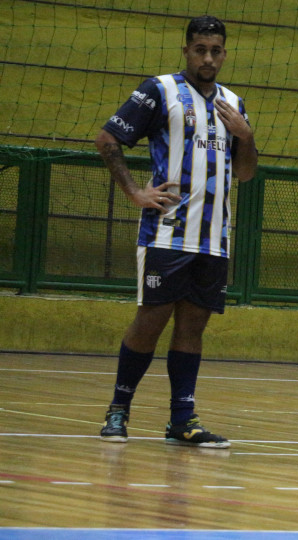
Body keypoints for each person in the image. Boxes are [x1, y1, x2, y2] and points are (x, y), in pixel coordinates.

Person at [95, 15, 258, 448]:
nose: (208, 57)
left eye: (216, 50)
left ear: (224, 53)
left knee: (193, 328)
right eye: (200, 49)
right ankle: (118, 410)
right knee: (150, 321)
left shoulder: (233, 102)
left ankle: (182, 419)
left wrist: (246, 135)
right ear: (186, 50)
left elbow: (245, 172)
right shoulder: (159, 90)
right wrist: (135, 193)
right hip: (167, 234)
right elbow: (108, 138)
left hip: (214, 239)